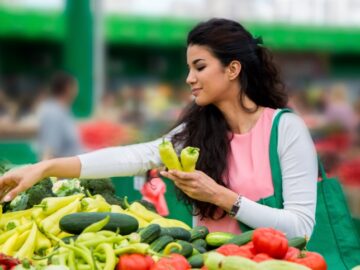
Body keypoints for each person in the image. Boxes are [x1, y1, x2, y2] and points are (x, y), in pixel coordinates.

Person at [0, 19, 317, 239]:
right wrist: (45, 168)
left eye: (200, 67)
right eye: (188, 68)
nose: (189, 78)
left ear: (233, 69)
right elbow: (131, 158)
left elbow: (300, 229)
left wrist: (220, 196)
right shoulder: (198, 133)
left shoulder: (286, 130)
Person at [36, 71, 84, 160]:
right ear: (68, 88)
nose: (77, 90)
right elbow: (48, 150)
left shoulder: (63, 110)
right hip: (62, 172)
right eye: (75, 86)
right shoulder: (53, 113)